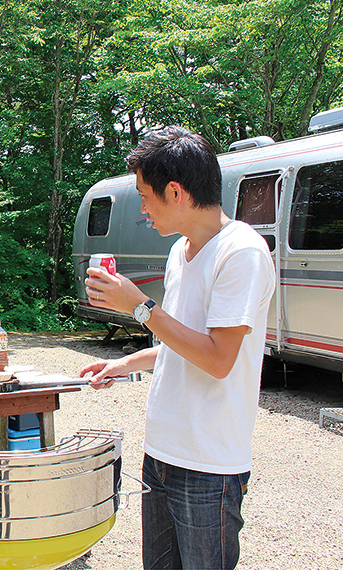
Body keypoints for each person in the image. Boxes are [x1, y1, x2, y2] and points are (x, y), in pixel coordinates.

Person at [78, 126, 275, 570]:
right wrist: (127, 362)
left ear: (176, 191)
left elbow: (218, 359)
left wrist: (141, 307)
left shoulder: (241, 251)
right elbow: (182, 342)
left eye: (145, 197)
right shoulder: (179, 253)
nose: (143, 210)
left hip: (210, 463)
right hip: (162, 451)